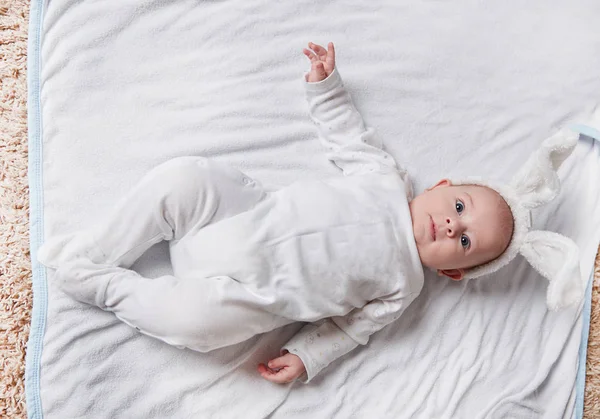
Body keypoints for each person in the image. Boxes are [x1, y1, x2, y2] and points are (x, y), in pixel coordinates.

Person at [36, 41, 584, 385]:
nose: (453, 225)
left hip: (242, 297)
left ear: (453, 271)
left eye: (464, 241)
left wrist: (307, 358)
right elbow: (346, 137)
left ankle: (101, 285)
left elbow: (348, 331)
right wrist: (326, 87)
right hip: (235, 218)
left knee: (200, 327)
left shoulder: (404, 286)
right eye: (460, 206)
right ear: (442, 186)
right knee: (185, 177)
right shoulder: (385, 178)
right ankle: (93, 254)